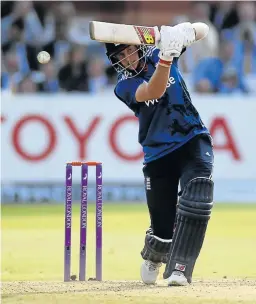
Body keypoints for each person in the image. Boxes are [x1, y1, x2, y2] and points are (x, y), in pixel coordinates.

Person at [105, 23, 214, 286]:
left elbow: (204, 29)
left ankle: (180, 269)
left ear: (139, 47)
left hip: (192, 139)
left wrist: (181, 31)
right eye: (120, 56)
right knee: (163, 230)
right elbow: (154, 91)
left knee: (198, 196)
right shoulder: (124, 85)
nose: (126, 59)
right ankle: (155, 253)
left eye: (129, 51)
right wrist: (167, 57)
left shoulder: (158, 52)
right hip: (157, 155)